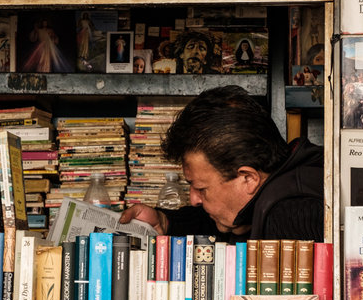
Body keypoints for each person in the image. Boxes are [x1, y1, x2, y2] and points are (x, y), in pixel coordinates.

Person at [120, 85, 324, 241]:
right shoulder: (289, 177)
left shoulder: (291, 218)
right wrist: (165, 221)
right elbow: (222, 221)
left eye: (201, 188)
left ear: (248, 178)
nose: (193, 199)